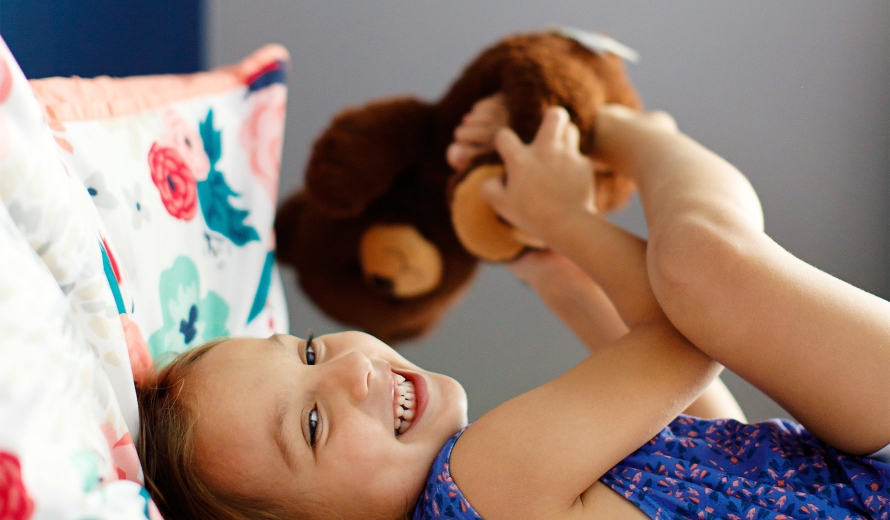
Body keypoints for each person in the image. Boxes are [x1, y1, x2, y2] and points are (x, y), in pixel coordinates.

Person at [136, 96, 890, 520]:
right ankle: (620, 125)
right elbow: (689, 344)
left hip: (850, 476)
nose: (348, 371)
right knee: (702, 271)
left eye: (306, 351)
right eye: (310, 425)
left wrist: (560, 281)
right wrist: (565, 220)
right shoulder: (479, 484)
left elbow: (716, 455)